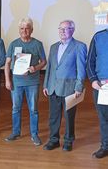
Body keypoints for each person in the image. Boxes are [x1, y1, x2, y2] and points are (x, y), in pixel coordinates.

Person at [43, 20, 87, 151]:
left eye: (66, 28)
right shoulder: (53, 47)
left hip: (70, 89)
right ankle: (54, 140)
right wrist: (46, 85)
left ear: (72, 30)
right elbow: (50, 68)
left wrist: (79, 87)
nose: (62, 31)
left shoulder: (79, 46)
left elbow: (81, 69)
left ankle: (68, 141)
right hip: (53, 87)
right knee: (53, 117)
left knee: (69, 117)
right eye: (60, 28)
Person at [4, 17, 46, 145]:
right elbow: (7, 64)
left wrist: (35, 68)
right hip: (17, 82)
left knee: (33, 109)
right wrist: (7, 80)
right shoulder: (13, 44)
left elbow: (44, 62)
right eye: (22, 28)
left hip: (32, 82)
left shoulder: (38, 44)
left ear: (32, 30)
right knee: (15, 108)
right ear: (19, 30)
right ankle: (16, 132)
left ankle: (34, 134)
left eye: (27, 28)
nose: (24, 30)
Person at [87, 28, 108, 158]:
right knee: (104, 119)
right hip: (101, 87)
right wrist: (93, 80)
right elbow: (90, 61)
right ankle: (105, 146)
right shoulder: (98, 36)